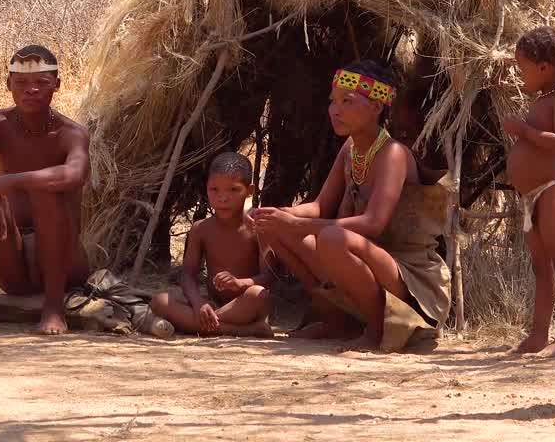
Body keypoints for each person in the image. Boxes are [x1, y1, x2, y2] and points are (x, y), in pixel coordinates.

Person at [250, 60, 450, 352]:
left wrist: (300, 224)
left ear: (376, 108)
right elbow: (319, 207)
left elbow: (373, 224)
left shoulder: (393, 153)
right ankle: (337, 320)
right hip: (363, 257)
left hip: (409, 273)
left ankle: (378, 329)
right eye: (332, 101)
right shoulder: (351, 149)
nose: (335, 110)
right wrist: (279, 215)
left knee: (331, 237)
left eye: (347, 101)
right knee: (276, 230)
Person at [0, 45, 91, 335]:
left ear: (57, 85)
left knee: (47, 191)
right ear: (8, 85)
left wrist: (7, 182)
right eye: (22, 83)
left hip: (64, 264)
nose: (31, 90)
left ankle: (54, 307)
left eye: (41, 83)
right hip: (11, 262)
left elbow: (74, 174)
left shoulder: (71, 133)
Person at [503, 25, 555, 357]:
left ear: (544, 67)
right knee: (541, 267)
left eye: (523, 68)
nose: (521, 76)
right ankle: (538, 334)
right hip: (532, 197)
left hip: (552, 192)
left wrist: (522, 130)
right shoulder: (543, 100)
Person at [148, 152, 274, 337]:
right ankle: (242, 330)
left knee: (258, 294)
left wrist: (240, 283)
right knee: (159, 301)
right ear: (206, 189)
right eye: (214, 190)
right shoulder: (200, 229)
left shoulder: (258, 228)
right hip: (214, 304)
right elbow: (187, 275)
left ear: (249, 191)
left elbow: (268, 277)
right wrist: (199, 303)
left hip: (246, 303)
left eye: (233, 190)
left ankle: (203, 324)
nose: (222, 198)